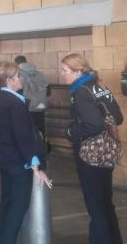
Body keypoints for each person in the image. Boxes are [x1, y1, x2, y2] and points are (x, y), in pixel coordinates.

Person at [0, 61, 52, 244]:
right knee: (17, 207)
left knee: (6, 203)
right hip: (18, 162)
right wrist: (35, 166)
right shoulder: (14, 103)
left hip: (4, 158)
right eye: (17, 76)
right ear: (9, 80)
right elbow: (23, 136)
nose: (21, 79)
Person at [61, 53, 123, 244]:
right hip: (108, 152)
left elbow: (94, 125)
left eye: (65, 70)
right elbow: (118, 118)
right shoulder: (99, 87)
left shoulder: (80, 91)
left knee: (95, 207)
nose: (62, 74)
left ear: (78, 71)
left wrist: (71, 132)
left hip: (90, 155)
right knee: (106, 203)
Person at [15, 55, 50, 139]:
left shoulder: (18, 75)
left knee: (27, 133)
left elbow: (17, 94)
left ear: (16, 64)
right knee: (40, 131)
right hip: (40, 107)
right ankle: (43, 149)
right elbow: (48, 92)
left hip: (25, 108)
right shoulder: (40, 74)